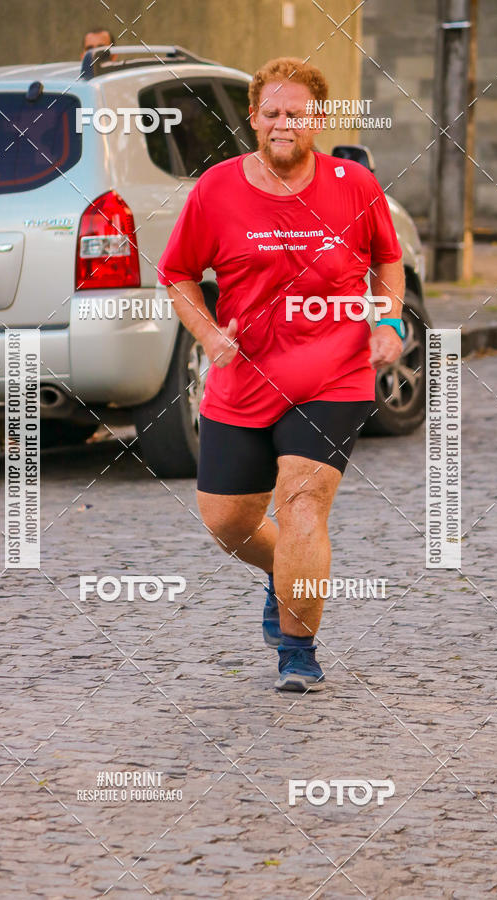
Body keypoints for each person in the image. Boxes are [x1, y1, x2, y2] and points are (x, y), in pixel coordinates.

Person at [158, 57, 405, 693]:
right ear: (253, 118)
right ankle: (283, 573)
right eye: (271, 112)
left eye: (295, 112)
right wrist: (209, 334)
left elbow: (387, 260)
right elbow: (177, 273)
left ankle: (298, 650)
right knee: (227, 522)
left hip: (333, 376)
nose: (282, 123)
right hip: (243, 378)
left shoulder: (354, 184)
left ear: (317, 119)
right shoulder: (216, 189)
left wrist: (388, 323)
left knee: (301, 503)